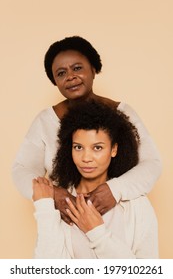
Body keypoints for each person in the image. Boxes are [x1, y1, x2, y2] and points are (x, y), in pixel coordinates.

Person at [12, 35, 162, 222]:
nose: (70, 77)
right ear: (55, 81)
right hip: (68, 223)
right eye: (61, 73)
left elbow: (152, 163)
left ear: (93, 69)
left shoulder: (123, 113)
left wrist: (116, 189)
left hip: (124, 218)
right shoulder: (45, 121)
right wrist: (52, 194)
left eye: (77, 68)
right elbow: (21, 169)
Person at [32, 100, 158, 258]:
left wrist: (97, 234)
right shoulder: (62, 205)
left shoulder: (137, 205)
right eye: (78, 147)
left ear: (114, 149)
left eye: (97, 147)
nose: (86, 158)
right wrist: (45, 208)